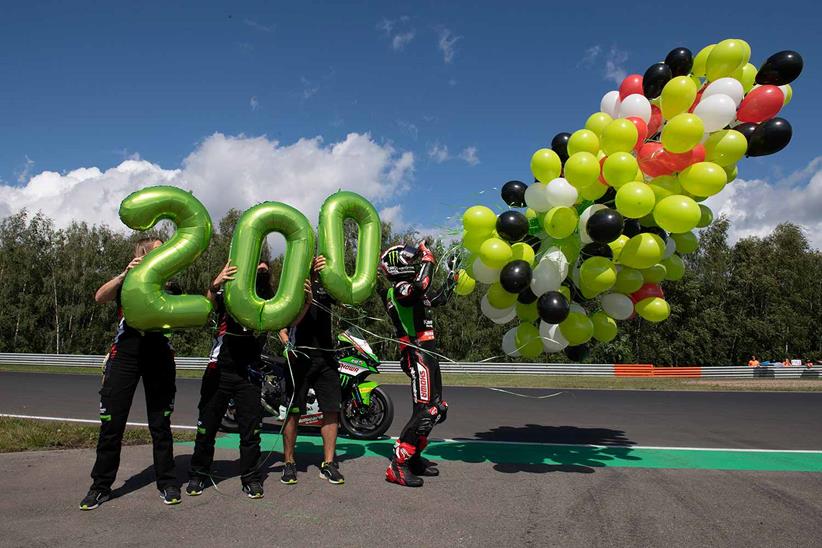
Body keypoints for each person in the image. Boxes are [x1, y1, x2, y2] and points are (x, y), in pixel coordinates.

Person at [80, 238, 181, 510]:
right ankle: (100, 487)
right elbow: (100, 297)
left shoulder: (170, 284)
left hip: (159, 353)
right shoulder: (127, 279)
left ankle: (168, 482)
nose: (166, 251)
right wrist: (125, 273)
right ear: (143, 253)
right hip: (126, 353)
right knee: (112, 424)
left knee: (161, 424)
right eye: (158, 248)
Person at [186, 260, 271, 499]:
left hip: (250, 371)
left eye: (264, 270)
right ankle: (198, 474)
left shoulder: (269, 295)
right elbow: (208, 303)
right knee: (207, 425)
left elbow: (286, 315)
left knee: (251, 430)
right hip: (220, 367)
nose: (260, 273)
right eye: (257, 268)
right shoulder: (230, 289)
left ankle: (251, 479)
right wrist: (216, 283)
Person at [379, 241, 456, 487]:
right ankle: (397, 466)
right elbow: (422, 284)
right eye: (408, 260)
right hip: (416, 354)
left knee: (435, 409)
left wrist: (453, 277)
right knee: (425, 412)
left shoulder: (413, 291)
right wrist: (428, 259)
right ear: (394, 267)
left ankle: (414, 458)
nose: (413, 262)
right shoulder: (401, 289)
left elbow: (438, 298)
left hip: (428, 354)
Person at [278, 255, 344, 485]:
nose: (317, 262)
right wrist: (287, 342)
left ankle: (328, 463)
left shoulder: (328, 285)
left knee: (331, 409)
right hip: (301, 357)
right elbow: (284, 324)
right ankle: (289, 462)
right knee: (294, 410)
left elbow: (346, 301)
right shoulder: (295, 285)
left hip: (327, 356)